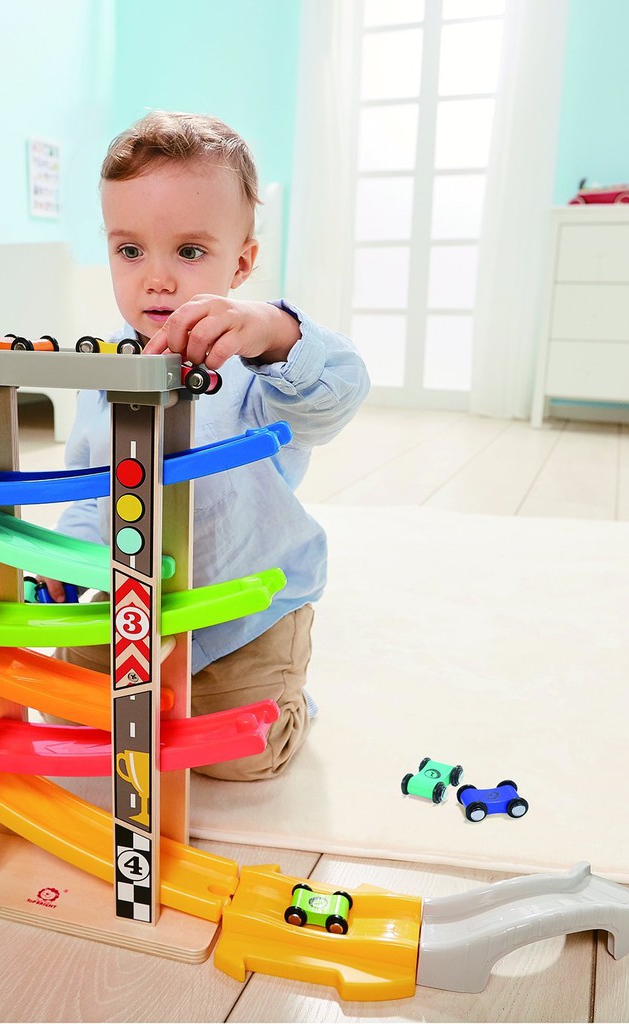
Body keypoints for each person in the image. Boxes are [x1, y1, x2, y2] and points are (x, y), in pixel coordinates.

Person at [41, 110, 370, 780]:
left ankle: (289, 698)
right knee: (67, 714)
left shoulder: (255, 364)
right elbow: (87, 487)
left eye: (189, 252)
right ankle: (149, 690)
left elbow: (337, 393)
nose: (156, 279)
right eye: (130, 251)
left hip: (242, 616)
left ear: (241, 262)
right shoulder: (106, 371)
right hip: (135, 604)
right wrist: (65, 562)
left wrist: (270, 330)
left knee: (239, 759)